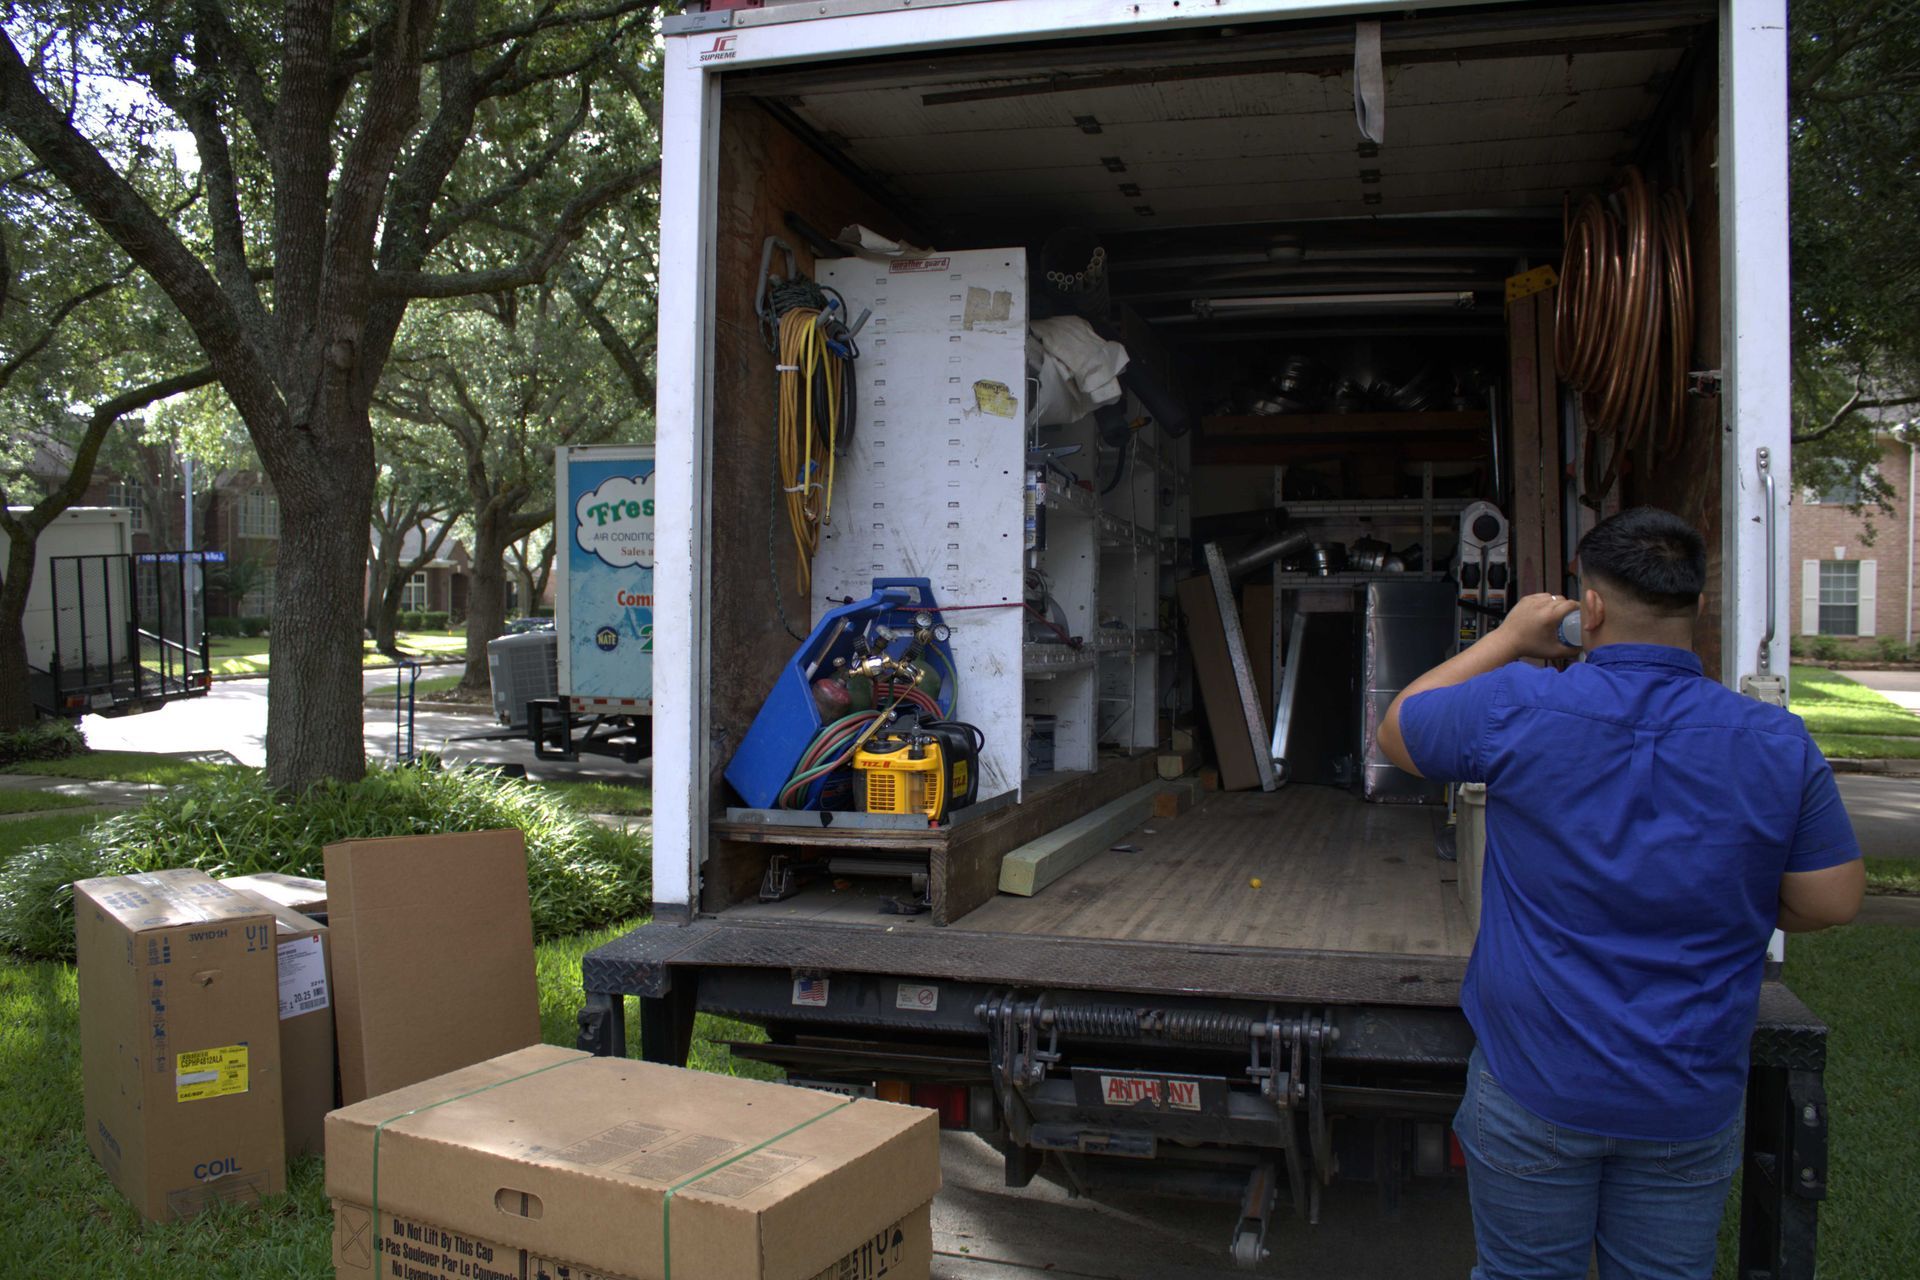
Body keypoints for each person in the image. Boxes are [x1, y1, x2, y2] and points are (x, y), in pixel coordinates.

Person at [1376, 506, 1863, 1280]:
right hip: (1686, 1091)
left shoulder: (1523, 706)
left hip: (1536, 1082)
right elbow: (1832, 900)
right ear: (1697, 607)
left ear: (1589, 609)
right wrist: (1716, 892)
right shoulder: (1775, 739)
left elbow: (1398, 730)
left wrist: (1508, 639)